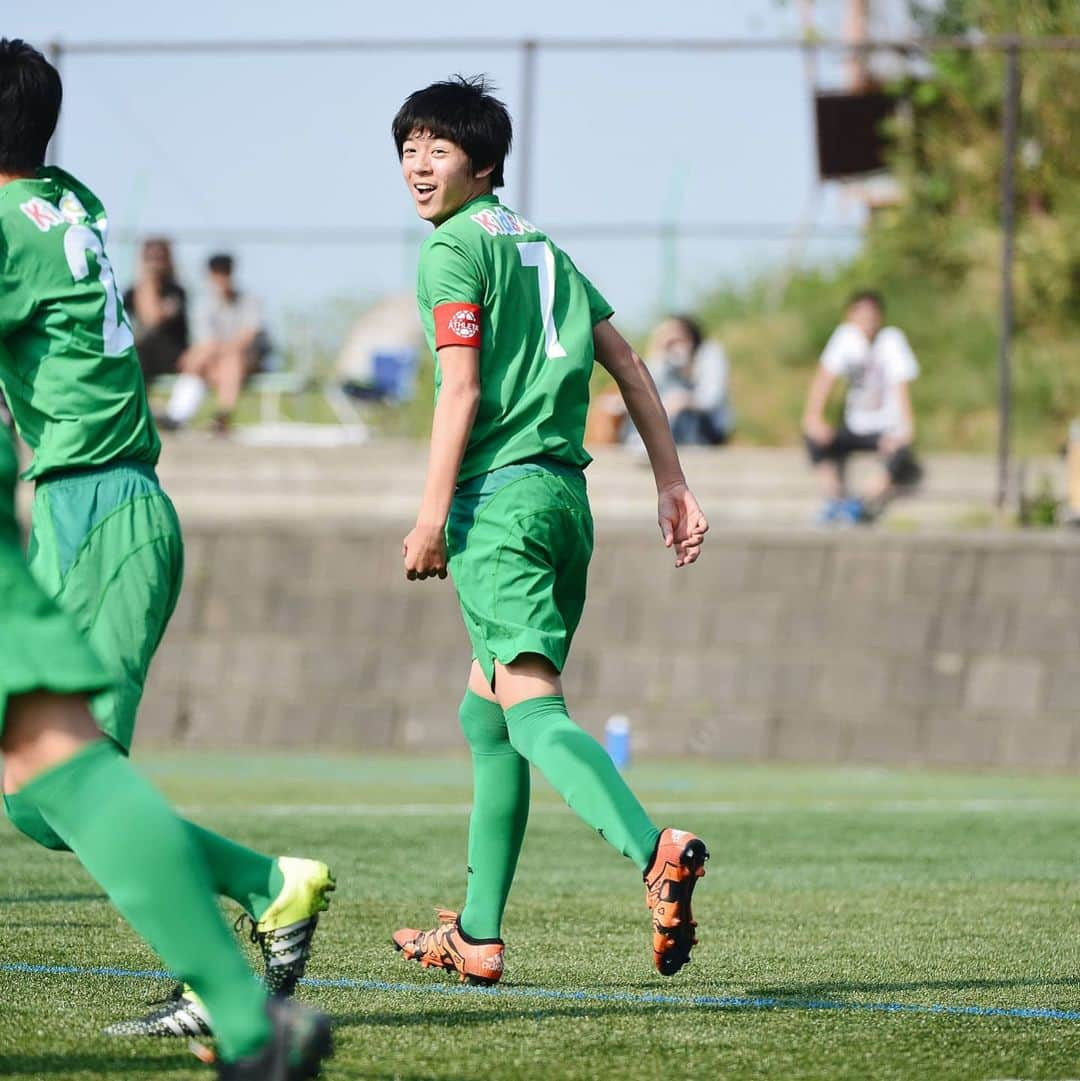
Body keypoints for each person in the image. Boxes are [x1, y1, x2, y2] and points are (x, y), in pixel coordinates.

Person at [0, 40, 334, 1066]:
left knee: (58, 781)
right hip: (99, 506)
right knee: (39, 790)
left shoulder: (7, 225)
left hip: (94, 510)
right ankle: (255, 906)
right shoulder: (65, 200)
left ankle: (252, 929)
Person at [389, 76, 710, 985]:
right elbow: (629, 361)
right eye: (408, 146)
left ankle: (654, 848)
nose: (418, 163)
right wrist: (672, 482)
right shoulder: (544, 247)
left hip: (500, 502)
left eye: (438, 148)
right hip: (565, 501)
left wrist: (429, 518)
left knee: (531, 710)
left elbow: (462, 389)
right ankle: (477, 934)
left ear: (483, 163)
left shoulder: (451, 250)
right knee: (485, 711)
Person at [802, 290, 922, 524]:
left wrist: (905, 430)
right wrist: (814, 418)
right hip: (854, 426)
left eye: (872, 315)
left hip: (884, 429)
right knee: (813, 436)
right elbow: (824, 380)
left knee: (902, 453)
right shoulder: (845, 337)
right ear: (851, 316)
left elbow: (901, 388)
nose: (868, 321)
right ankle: (834, 498)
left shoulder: (892, 340)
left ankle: (859, 503)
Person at [159, 253, 268, 434]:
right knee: (206, 363)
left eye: (225, 273)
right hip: (215, 364)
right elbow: (207, 342)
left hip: (245, 361)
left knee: (228, 359)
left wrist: (202, 355)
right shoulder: (204, 305)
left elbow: (245, 339)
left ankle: (221, 415)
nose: (221, 278)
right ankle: (178, 415)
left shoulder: (248, 301)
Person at [644, 314, 734, 445]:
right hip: (678, 424)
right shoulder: (669, 358)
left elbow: (712, 398)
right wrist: (657, 349)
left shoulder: (710, 353)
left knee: (676, 396)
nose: (674, 344)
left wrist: (684, 400)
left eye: (677, 338)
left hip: (710, 427)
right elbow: (648, 385)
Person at [123, 236, 189, 382]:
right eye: (150, 258)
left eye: (159, 258)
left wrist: (149, 284)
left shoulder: (176, 292)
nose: (155, 264)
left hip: (169, 355)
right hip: (140, 354)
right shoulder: (130, 293)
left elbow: (152, 319)